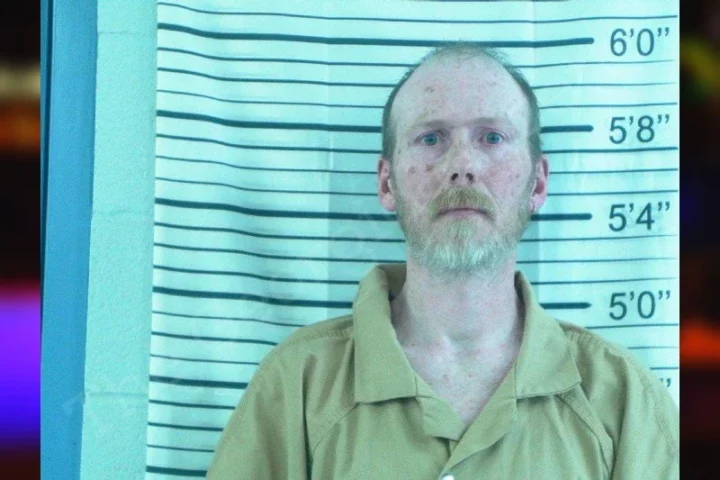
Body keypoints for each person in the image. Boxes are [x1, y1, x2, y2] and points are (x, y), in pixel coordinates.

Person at [206, 43, 679, 479]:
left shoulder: (625, 402)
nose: (462, 165)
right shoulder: (296, 386)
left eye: (492, 137)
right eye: (431, 138)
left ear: (537, 183)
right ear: (387, 183)